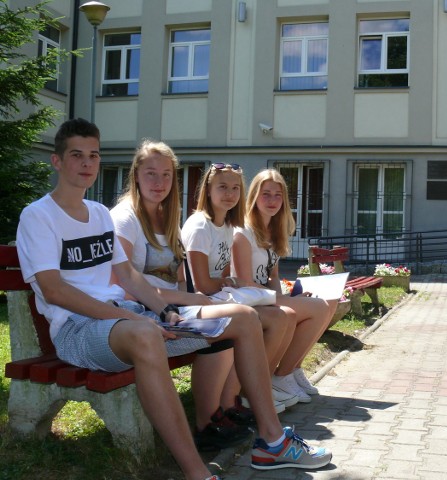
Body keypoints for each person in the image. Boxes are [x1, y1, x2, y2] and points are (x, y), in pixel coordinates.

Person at [16, 119, 332, 477]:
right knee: (146, 334)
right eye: (76, 155)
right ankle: (198, 472)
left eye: (93, 155)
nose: (87, 163)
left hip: (129, 318)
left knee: (243, 317)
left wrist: (165, 311)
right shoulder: (38, 216)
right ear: (57, 161)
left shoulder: (99, 214)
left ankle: (272, 442)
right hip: (78, 331)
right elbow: (55, 290)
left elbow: (128, 276)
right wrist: (137, 319)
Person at [110, 140, 252, 450]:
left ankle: (212, 417)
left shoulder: (166, 216)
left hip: (172, 306)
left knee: (232, 323)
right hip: (141, 312)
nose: (158, 183)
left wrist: (199, 293)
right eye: (150, 174)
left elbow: (177, 277)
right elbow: (122, 284)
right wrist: (195, 299)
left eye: (166, 175)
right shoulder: (124, 217)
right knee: (233, 323)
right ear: (135, 175)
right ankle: (210, 421)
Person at [181, 161, 299, 410]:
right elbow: (201, 285)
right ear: (208, 189)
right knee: (257, 319)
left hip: (219, 299)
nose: (230, 194)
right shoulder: (200, 225)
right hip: (194, 304)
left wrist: (232, 283)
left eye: (235, 188)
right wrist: (233, 283)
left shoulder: (226, 226)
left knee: (283, 316)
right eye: (222, 187)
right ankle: (234, 399)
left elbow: (224, 277)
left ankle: (256, 389)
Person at [232, 168, 336, 402]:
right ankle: (281, 376)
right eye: (265, 194)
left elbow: (272, 276)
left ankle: (292, 369)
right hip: (248, 299)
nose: (272, 201)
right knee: (317, 307)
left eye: (277, 195)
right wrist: (286, 301)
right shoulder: (243, 232)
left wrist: (287, 297)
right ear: (254, 197)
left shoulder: (274, 232)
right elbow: (246, 283)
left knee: (329, 299)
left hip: (266, 298)